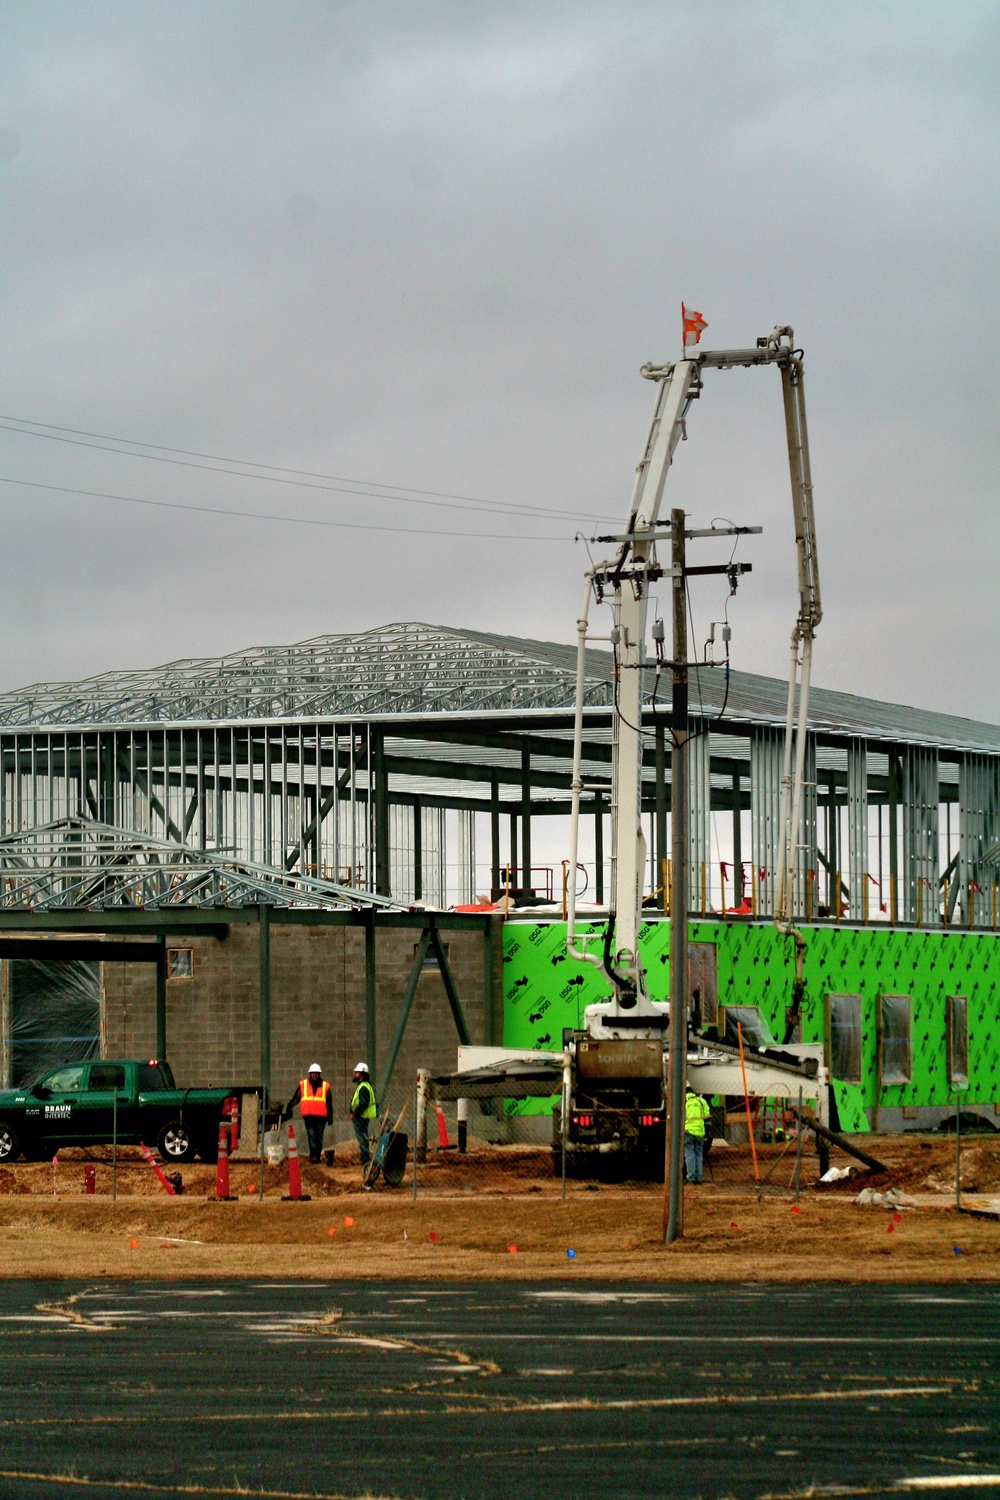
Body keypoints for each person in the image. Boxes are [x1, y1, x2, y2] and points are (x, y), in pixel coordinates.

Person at [282, 1063, 333, 1164]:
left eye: (316, 1073)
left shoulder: (325, 1086)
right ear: (310, 1074)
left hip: (321, 1117)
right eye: (313, 1073)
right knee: (312, 1135)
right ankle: (314, 1155)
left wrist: (330, 1116)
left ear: (319, 1074)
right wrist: (290, 1106)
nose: (314, 1075)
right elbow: (296, 1097)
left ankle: (316, 1155)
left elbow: (329, 1102)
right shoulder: (303, 1084)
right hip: (309, 1115)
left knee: (319, 1136)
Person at [350, 1062, 377, 1168]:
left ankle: (365, 1159)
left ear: (362, 1074)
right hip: (362, 1116)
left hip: (360, 1117)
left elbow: (363, 1103)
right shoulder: (365, 1086)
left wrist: (355, 1113)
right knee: (363, 1137)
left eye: (357, 1072)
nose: (355, 1074)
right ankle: (364, 1157)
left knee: (362, 1138)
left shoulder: (363, 1087)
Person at [684, 1084, 711, 1185]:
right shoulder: (701, 1101)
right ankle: (699, 1178)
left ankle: (691, 1177)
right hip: (700, 1132)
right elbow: (707, 1117)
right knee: (699, 1154)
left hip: (688, 1132)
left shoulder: (683, 1102)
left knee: (689, 1154)